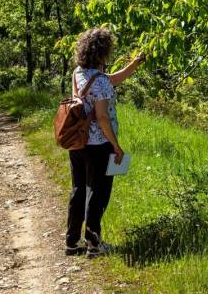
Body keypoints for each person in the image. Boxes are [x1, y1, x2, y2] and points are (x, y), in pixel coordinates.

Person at [65, 27, 145, 258]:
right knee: (98, 192)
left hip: (77, 142)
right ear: (103, 52)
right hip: (98, 145)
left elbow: (113, 79)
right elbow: (101, 117)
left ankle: (72, 241)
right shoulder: (99, 82)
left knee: (79, 189)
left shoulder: (78, 73)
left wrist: (135, 63)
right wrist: (116, 146)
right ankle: (93, 243)